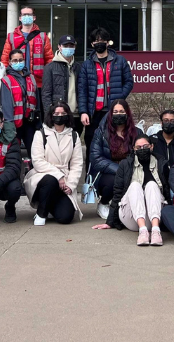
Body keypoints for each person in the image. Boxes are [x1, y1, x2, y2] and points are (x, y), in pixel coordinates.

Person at [24, 101, 84, 225]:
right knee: (50, 180)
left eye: (63, 113)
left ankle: (51, 205)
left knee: (65, 218)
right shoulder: (40, 134)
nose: (60, 116)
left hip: (65, 181)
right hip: (42, 176)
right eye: (56, 113)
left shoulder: (74, 136)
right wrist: (58, 175)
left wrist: (71, 184)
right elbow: (37, 161)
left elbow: (76, 163)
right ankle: (41, 213)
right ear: (51, 116)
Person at [98, 136, 166, 245]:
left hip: (156, 216)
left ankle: (156, 232)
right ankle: (143, 232)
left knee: (152, 185)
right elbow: (118, 192)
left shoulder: (161, 163)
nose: (142, 149)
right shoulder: (125, 165)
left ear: (152, 146)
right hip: (132, 218)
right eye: (138, 147)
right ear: (133, 149)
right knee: (134, 185)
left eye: (145, 146)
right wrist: (110, 222)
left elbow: (167, 191)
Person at [78, 27, 134, 157]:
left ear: (108, 42)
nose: (99, 43)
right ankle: (90, 176)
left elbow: (129, 82)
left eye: (102, 40)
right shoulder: (87, 65)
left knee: (113, 144)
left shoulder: (119, 61)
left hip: (113, 111)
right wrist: (84, 112)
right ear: (92, 44)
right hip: (94, 113)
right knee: (91, 145)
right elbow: (82, 90)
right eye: (96, 41)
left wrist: (119, 98)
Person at [89, 99, 144, 219]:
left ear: (127, 113)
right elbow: (96, 158)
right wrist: (119, 170)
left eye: (121, 111)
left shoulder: (137, 132)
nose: (118, 114)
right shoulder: (101, 132)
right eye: (115, 112)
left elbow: (142, 154)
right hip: (107, 172)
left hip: (132, 169)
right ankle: (103, 203)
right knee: (113, 181)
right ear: (110, 114)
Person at [1, 7, 54, 110]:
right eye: (24, 15)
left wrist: (48, 81)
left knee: (37, 112)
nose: (26, 17)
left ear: (34, 17)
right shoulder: (11, 36)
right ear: (20, 18)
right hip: (17, 81)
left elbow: (49, 60)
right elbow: (5, 59)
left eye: (29, 15)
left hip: (38, 83)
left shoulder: (42, 36)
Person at [1, 48, 40, 149]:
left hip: (30, 121)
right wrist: (9, 125)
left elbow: (37, 98)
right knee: (14, 151)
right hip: (15, 123)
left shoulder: (31, 77)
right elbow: (6, 105)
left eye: (20, 60)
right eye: (15, 60)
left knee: (33, 151)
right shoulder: (7, 80)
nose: (18, 62)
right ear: (10, 62)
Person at [41, 35, 82, 130]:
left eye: (71, 46)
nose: (68, 48)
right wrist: (49, 115)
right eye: (65, 46)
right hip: (58, 115)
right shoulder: (50, 67)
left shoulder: (79, 67)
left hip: (76, 115)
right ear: (59, 47)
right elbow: (46, 93)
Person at [151, 109, 174, 189]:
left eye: (172, 121)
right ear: (161, 122)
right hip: (158, 180)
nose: (169, 123)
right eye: (166, 120)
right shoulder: (153, 140)